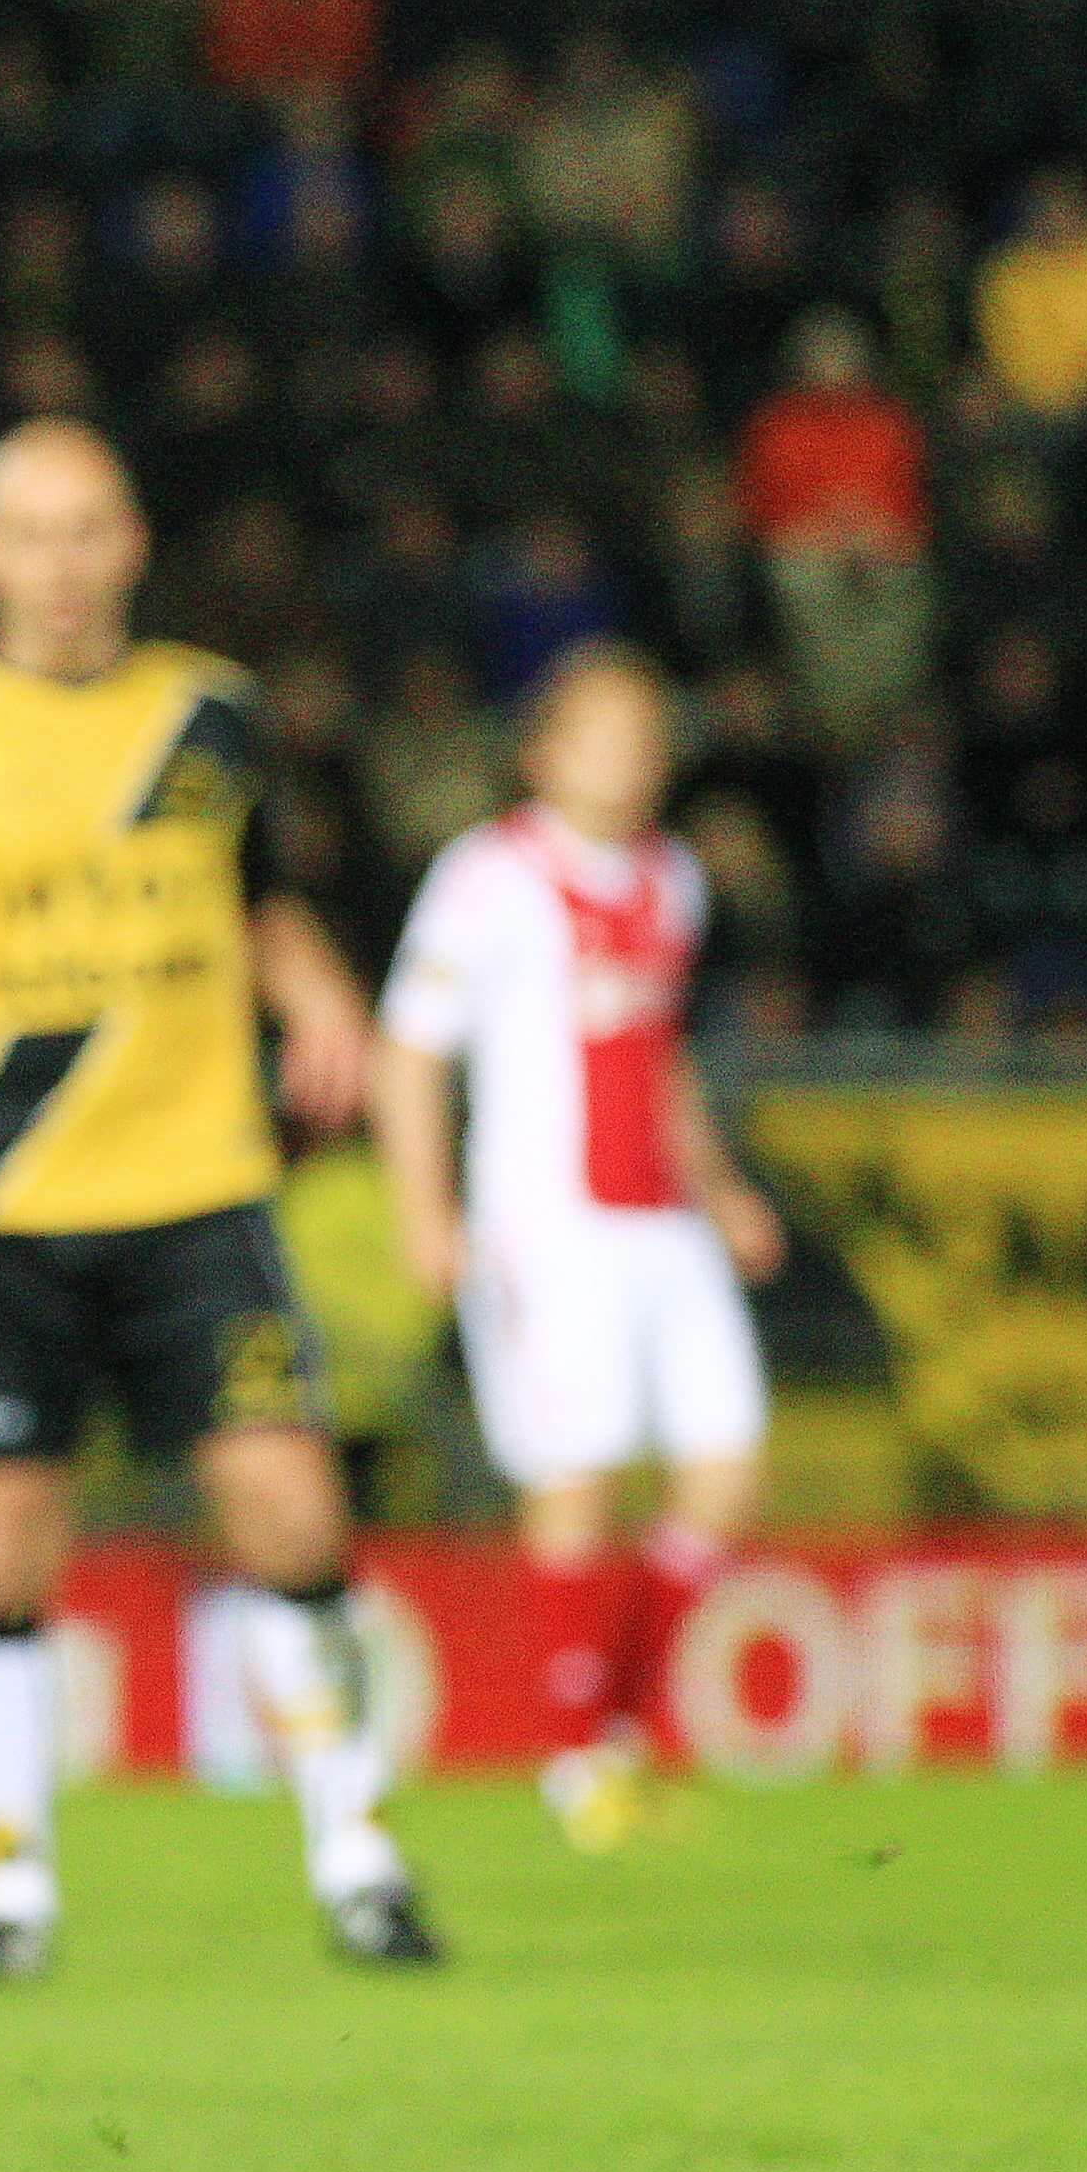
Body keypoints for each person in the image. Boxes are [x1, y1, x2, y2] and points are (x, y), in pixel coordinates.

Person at [0, 418, 436, 1979]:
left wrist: (324, 1001)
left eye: (91, 530)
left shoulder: (214, 716)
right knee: (2, 1544)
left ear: (133, 543)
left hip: (199, 1188)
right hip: (8, 1200)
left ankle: (360, 1854)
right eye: (34, 532)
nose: (64, 564)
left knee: (291, 1505)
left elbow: (258, 900)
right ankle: (8, 1881)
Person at [370, 644, 779, 1851]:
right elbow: (409, 1048)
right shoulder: (487, 876)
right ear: (543, 749)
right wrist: (423, 1209)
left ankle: (627, 1727)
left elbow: (660, 1055)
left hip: (664, 1219)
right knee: (578, 1476)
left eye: (646, 731)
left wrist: (720, 1186)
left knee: (726, 1470)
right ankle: (570, 1756)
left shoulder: (674, 879)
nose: (630, 753)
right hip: (546, 1221)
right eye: (604, 730)